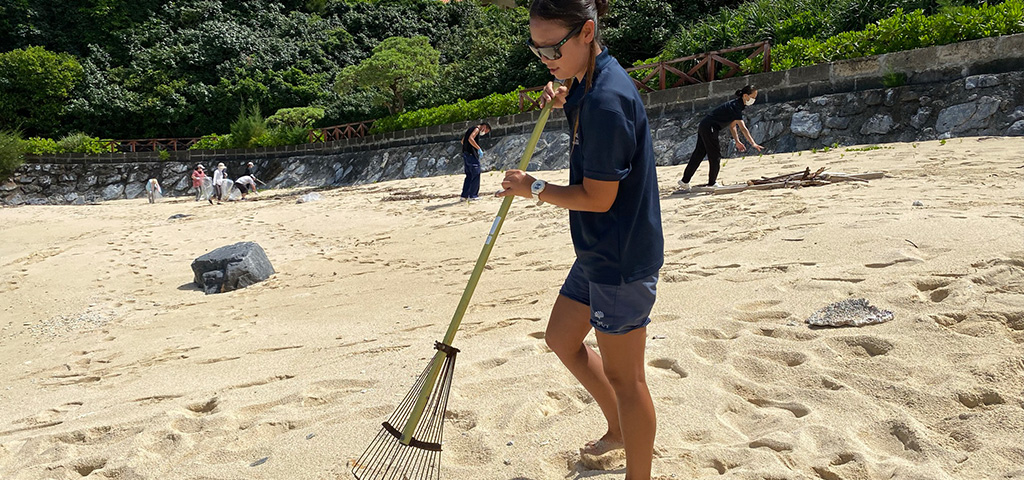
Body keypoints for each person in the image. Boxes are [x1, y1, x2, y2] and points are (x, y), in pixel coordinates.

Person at [497, 1, 663, 478]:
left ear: (587, 32)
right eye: (536, 47)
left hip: (620, 254)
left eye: (553, 47)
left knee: (626, 379)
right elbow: (584, 113)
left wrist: (535, 188)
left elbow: (598, 197)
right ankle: (617, 429)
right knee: (561, 338)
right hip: (597, 249)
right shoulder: (589, 81)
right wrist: (563, 96)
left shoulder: (608, 99)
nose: (545, 56)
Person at [677, 85, 763, 191]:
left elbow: (732, 126)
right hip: (710, 127)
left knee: (698, 154)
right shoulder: (736, 106)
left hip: (705, 125)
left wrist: (737, 141)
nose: (754, 100)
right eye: (753, 97)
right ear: (745, 96)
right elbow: (743, 128)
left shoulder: (737, 105)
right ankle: (712, 183)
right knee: (715, 156)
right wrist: (753, 143)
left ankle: (685, 181)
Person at [459, 122, 491, 202]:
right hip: (471, 154)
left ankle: (464, 196)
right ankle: (473, 195)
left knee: (469, 175)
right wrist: (478, 148)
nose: (484, 132)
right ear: (484, 126)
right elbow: (470, 138)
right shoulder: (476, 129)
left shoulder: (470, 129)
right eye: (486, 131)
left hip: (466, 154)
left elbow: (463, 141)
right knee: (476, 174)